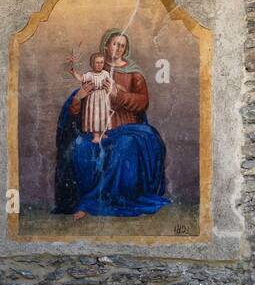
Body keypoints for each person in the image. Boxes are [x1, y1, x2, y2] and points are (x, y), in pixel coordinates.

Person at [53, 29, 170, 218]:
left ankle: (93, 204)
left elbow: (142, 103)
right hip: (97, 128)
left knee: (126, 145)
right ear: (106, 46)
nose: (119, 48)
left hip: (128, 128)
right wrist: (78, 97)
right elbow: (76, 108)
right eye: (115, 44)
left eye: (123, 45)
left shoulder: (134, 74)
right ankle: (88, 201)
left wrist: (119, 94)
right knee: (80, 148)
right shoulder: (96, 70)